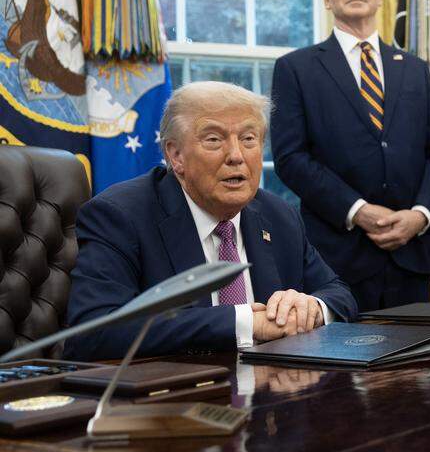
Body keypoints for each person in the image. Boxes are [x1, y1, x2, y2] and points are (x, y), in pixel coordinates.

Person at [64, 82, 357, 361]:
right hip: (171, 400)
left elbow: (339, 293)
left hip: (273, 394)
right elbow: (94, 331)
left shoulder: (279, 215)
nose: (236, 156)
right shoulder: (120, 215)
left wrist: (313, 308)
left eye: (249, 139)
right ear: (175, 155)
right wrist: (245, 323)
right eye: (214, 139)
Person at [271, 0, 430, 312]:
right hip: (337, 258)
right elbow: (291, 157)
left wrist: (420, 215)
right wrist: (357, 210)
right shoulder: (296, 69)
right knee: (341, 369)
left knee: (415, 366)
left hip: (410, 255)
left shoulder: (414, 68)